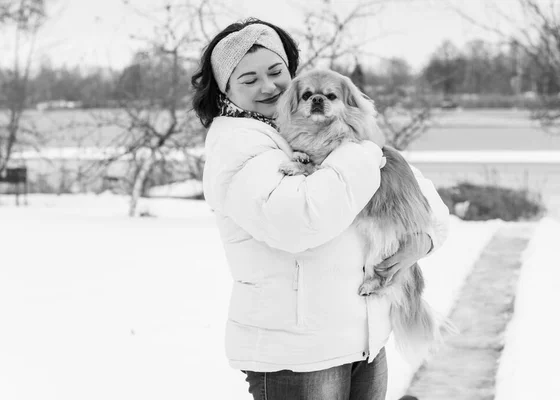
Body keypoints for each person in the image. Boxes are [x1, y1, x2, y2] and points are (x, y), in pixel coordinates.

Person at [191, 18, 449, 400]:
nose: (268, 86)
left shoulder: (297, 130)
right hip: (299, 354)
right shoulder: (237, 143)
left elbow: (428, 202)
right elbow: (298, 224)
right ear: (225, 90)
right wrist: (362, 151)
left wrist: (423, 240)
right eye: (248, 79)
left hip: (362, 337)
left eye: (276, 72)